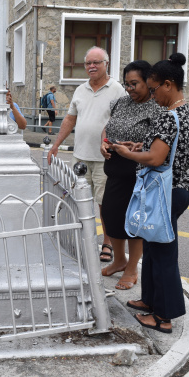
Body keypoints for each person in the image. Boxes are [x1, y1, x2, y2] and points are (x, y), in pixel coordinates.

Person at [109, 53, 189, 334]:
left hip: (165, 193)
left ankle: (163, 316)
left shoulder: (169, 117)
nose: (152, 94)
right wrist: (139, 145)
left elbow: (158, 159)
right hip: (174, 190)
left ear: (168, 85)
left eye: (154, 88)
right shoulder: (186, 114)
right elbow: (165, 151)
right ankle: (149, 301)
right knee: (153, 248)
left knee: (162, 256)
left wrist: (126, 153)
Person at [47, 46, 127, 263]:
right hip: (80, 157)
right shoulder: (80, 90)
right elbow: (70, 119)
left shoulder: (118, 90)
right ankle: (84, 239)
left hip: (106, 159)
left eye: (96, 62)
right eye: (88, 63)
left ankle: (107, 243)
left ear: (106, 64)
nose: (91, 66)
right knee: (78, 200)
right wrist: (56, 145)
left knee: (105, 205)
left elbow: (122, 122)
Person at [100, 60, 164, 290]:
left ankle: (132, 268)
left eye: (135, 84)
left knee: (134, 222)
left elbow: (160, 143)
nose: (130, 89)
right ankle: (119, 260)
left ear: (148, 81)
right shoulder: (120, 103)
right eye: (127, 84)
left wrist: (140, 146)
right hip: (115, 171)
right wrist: (104, 143)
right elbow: (108, 128)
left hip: (138, 174)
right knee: (110, 215)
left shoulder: (158, 108)